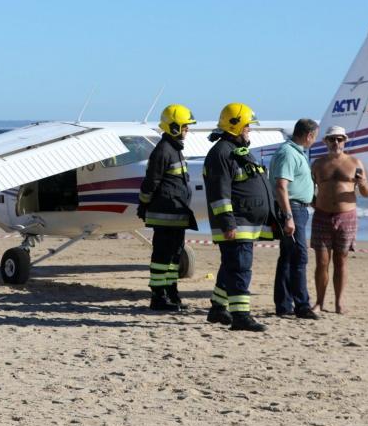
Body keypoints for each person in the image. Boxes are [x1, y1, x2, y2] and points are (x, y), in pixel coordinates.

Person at [203, 103, 278, 332]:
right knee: (240, 268)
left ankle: (217, 308)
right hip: (236, 224)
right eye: (247, 126)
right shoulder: (221, 153)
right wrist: (228, 222)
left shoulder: (239, 151)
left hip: (247, 223)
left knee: (231, 266)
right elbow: (219, 193)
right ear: (234, 125)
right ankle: (240, 316)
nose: (249, 130)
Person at [137, 104, 198, 312]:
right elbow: (150, 183)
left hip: (176, 214)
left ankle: (171, 292)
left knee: (173, 257)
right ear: (173, 127)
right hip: (165, 215)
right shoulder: (163, 151)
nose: (187, 131)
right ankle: (158, 296)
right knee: (162, 258)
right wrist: (143, 204)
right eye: (185, 127)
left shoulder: (175, 150)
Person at [311, 126, 368, 314]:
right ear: (325, 141)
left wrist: (362, 184)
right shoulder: (318, 164)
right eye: (332, 139)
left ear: (345, 141)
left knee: (341, 260)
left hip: (347, 216)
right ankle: (319, 302)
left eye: (339, 139)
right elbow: (308, 188)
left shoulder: (355, 162)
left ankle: (339, 302)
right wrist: (315, 204)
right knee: (321, 261)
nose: (336, 143)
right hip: (322, 215)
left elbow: (367, 193)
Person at [271, 118, 320, 320]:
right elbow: (281, 186)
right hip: (293, 209)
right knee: (299, 256)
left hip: (298, 208)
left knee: (289, 256)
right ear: (308, 135)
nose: (313, 141)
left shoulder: (294, 152)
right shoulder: (289, 153)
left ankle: (284, 304)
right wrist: (289, 216)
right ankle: (301, 305)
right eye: (314, 137)